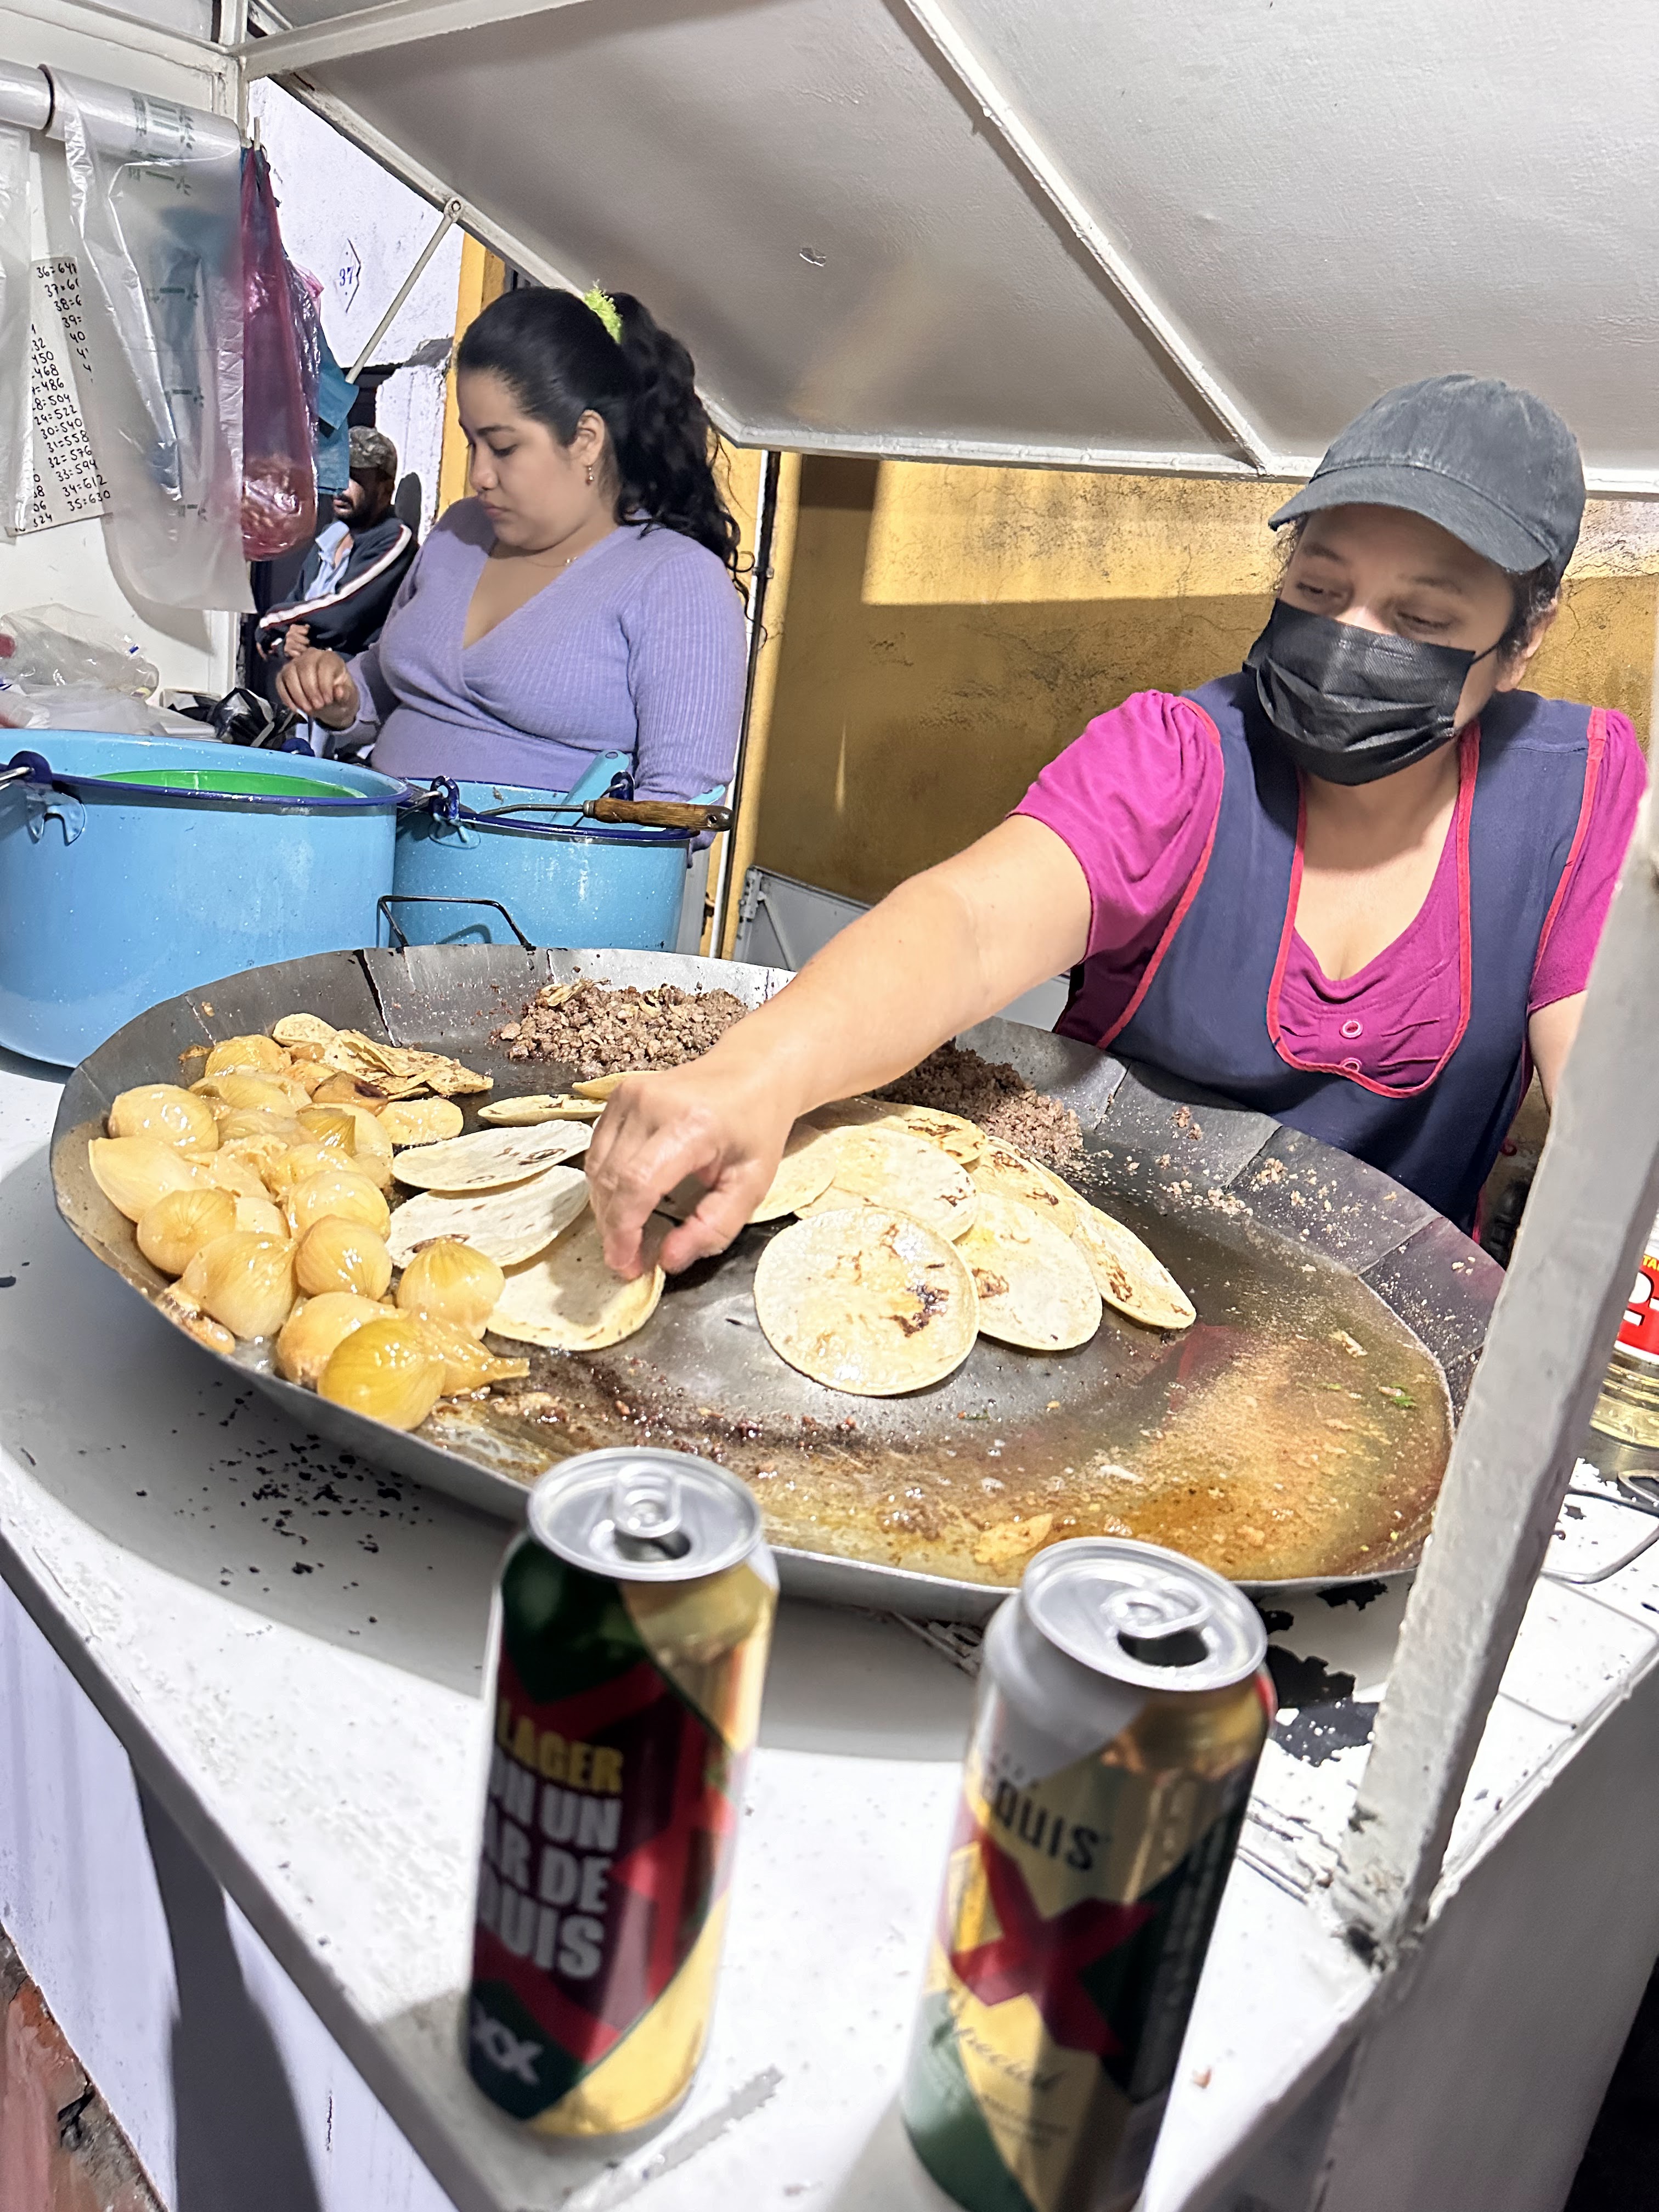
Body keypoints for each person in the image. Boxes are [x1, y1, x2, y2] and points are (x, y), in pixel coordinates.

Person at [586, 374, 1646, 1276]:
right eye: (1317, 588)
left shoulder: (1576, 787)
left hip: (1383, 1342)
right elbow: (967, 925)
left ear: (1525, 637)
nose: (1350, 640)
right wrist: (758, 1071)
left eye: (1420, 621)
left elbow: (1606, 1088)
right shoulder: (1179, 755)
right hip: (1085, 1266)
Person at [276, 286, 747, 800]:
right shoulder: (460, 532)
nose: (480, 474)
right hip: (374, 856)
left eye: (503, 448)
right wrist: (341, 697)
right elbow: (386, 684)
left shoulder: (674, 578)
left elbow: (675, 805)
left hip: (535, 877)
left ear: (586, 439)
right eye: (471, 442)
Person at [253, 427, 415, 673]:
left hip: (356, 701)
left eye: (354, 477)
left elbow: (340, 612)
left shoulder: (395, 539)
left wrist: (271, 621)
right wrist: (286, 642)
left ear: (384, 489)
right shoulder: (331, 537)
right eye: (337, 473)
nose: (340, 487)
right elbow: (299, 605)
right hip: (311, 699)